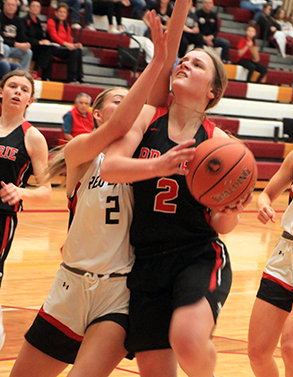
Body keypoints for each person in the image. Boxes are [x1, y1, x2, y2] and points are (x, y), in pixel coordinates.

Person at [9, 11, 192, 377]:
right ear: (96, 114)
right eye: (117, 100)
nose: (129, 106)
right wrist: (156, 60)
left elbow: (157, 100)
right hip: (69, 285)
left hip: (119, 292)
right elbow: (125, 120)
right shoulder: (80, 152)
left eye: (131, 100)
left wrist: (179, 14)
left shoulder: (143, 157)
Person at [100, 0, 252, 375]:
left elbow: (221, 224)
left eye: (197, 64)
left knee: (187, 338)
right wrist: (159, 164)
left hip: (197, 254)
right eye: (183, 61)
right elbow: (112, 168)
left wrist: (229, 211)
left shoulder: (221, 144)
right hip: (147, 260)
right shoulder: (150, 117)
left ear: (212, 91)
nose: (184, 64)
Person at [248, 117, 293, 377]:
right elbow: (266, 194)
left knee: (290, 345)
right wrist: (263, 205)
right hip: (286, 251)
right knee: (258, 353)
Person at [0, 69, 52, 350]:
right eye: (12, 86)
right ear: (1, 91)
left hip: (1, 217)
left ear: (30, 100)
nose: (17, 92)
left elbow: (46, 191)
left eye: (23, 89)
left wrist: (20, 191)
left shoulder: (33, 138)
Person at [46, 2, 83, 83]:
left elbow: (69, 40)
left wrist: (75, 45)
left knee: (77, 50)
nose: (62, 14)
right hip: (53, 47)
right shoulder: (51, 22)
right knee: (73, 51)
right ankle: (71, 78)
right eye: (60, 12)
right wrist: (66, 44)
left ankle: (79, 76)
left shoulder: (67, 25)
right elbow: (54, 36)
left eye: (64, 12)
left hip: (63, 48)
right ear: (56, 13)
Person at [21, 0, 54, 81]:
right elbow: (23, 37)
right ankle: (34, 71)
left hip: (36, 45)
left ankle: (45, 76)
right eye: (33, 6)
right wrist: (38, 42)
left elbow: (40, 36)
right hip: (27, 45)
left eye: (38, 7)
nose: (35, 8)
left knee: (49, 49)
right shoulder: (23, 20)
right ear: (29, 8)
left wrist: (44, 40)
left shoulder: (38, 21)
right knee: (44, 50)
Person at [0, 0, 33, 71]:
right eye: (9, 5)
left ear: (16, 8)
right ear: (4, 6)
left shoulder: (18, 20)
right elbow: (2, 38)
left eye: (13, 5)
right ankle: (4, 72)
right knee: (5, 48)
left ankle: (23, 75)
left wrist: (26, 44)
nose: (10, 7)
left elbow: (22, 37)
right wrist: (17, 44)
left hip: (12, 47)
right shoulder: (1, 17)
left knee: (28, 52)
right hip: (2, 46)